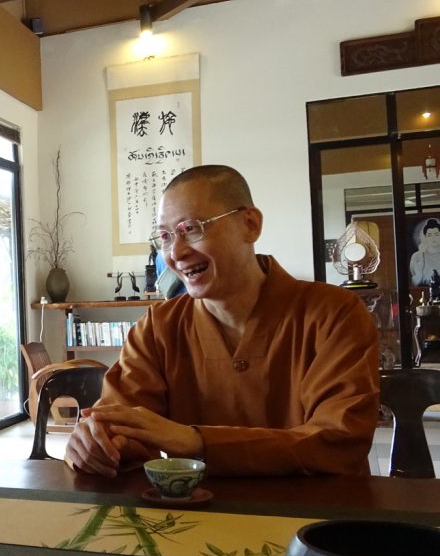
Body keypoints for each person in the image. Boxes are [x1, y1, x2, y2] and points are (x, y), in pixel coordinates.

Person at [65, 165, 379, 478]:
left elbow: (338, 440)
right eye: (165, 237)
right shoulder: (158, 328)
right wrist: (96, 443)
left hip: (313, 506)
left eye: (191, 229)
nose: (176, 252)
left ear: (250, 225)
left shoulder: (334, 314)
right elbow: (122, 429)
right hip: (195, 505)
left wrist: (196, 441)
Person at [410, 218, 440, 287]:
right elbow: (413, 284)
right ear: (425, 237)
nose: (433, 238)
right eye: (429, 235)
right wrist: (419, 274)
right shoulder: (417, 257)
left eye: (436, 234)